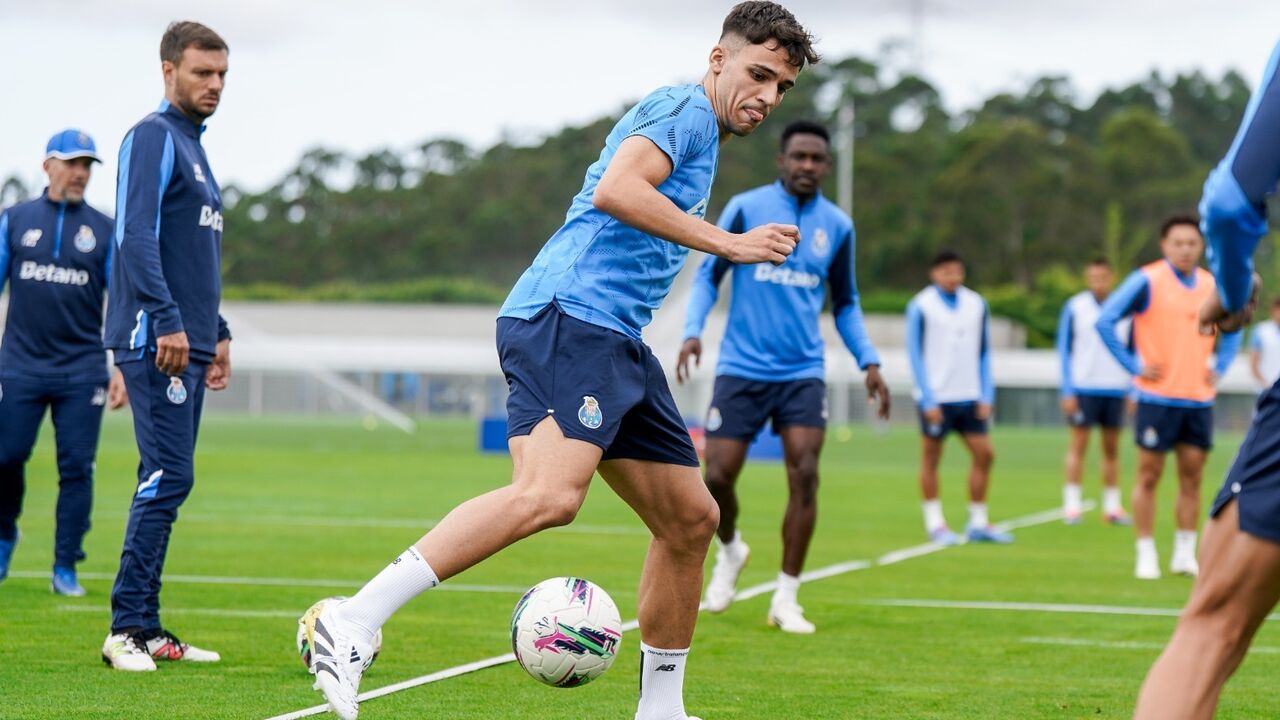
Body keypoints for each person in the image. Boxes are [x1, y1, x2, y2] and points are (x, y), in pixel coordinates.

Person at [303, 4, 817, 719]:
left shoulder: (704, 131)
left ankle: (661, 710)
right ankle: (355, 618)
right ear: (718, 59)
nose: (766, 96)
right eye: (758, 74)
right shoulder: (686, 111)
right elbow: (617, 190)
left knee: (692, 520)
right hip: (568, 317)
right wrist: (727, 244)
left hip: (616, 339)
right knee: (548, 496)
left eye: (782, 86)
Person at [675, 120, 889, 634]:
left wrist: (869, 360)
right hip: (741, 369)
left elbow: (848, 302)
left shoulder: (837, 225)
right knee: (718, 475)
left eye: (817, 159)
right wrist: (692, 330)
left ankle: (786, 598)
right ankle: (731, 551)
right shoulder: (747, 208)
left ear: (827, 166)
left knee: (806, 472)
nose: (808, 166)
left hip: (802, 372)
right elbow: (709, 275)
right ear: (782, 160)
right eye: (800, 157)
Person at [1135, 39, 1280, 720]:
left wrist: (1231, 278)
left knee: (1210, 629)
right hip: (1164, 393)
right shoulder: (1144, 283)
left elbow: (1227, 204)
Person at [100, 21, 233, 672]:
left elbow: (194, 255)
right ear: (168, 70)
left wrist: (221, 329)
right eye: (202, 72)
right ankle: (124, 630)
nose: (214, 85)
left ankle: (148, 629)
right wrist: (169, 321)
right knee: (166, 475)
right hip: (157, 340)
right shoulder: (151, 137)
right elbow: (133, 236)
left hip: (190, 338)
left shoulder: (198, 149)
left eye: (222, 75)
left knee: (168, 479)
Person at [0, 130, 127, 596]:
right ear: (48, 165)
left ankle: (65, 565)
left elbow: (121, 302)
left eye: (87, 165)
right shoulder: (14, 221)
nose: (80, 173)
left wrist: (122, 367)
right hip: (19, 367)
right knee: (6, 457)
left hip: (82, 370)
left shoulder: (106, 228)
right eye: (72, 163)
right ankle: (3, 533)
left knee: (77, 468)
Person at [1096, 216, 1241, 580]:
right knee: (1148, 476)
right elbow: (1105, 321)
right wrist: (1132, 365)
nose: (1185, 249)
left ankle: (1183, 552)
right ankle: (1145, 552)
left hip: (1198, 399)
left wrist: (1220, 364)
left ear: (1201, 247)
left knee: (1192, 479)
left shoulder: (1213, 283)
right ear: (1164, 245)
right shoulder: (1146, 280)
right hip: (1155, 398)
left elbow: (1236, 323)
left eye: (1192, 243)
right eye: (1178, 243)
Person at [905, 250, 1012, 546]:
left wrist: (986, 393)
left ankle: (978, 521)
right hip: (937, 398)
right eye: (946, 271)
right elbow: (915, 354)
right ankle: (935, 523)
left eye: (957, 271)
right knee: (931, 459)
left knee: (985, 454)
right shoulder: (921, 306)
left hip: (970, 395)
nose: (952, 277)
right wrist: (928, 399)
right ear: (934, 273)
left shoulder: (976, 304)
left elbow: (984, 350)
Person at [1055, 258, 1133, 525]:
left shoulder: (1126, 308)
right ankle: (1072, 505)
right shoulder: (1075, 307)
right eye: (1093, 278)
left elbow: (1134, 350)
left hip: (1115, 387)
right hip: (1083, 388)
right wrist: (1067, 389)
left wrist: (1133, 388)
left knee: (1112, 450)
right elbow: (1064, 349)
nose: (1098, 283)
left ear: (1112, 277)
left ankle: (1112, 507)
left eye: (1103, 277)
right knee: (1078, 446)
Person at [1247, 297, 1280, 390]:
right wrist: (1266, 384)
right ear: (1273, 310)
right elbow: (1253, 363)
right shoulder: (1261, 331)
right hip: (1265, 389)